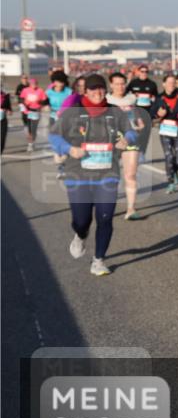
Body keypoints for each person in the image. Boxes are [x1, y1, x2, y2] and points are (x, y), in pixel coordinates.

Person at [49, 74, 136, 276]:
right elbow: (54, 135)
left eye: (101, 89)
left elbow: (130, 132)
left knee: (105, 217)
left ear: (105, 91)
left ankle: (98, 260)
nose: (98, 93)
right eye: (93, 89)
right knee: (81, 220)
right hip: (77, 173)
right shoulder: (72, 113)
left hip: (107, 172)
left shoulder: (115, 112)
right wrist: (69, 149)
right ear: (85, 91)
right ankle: (80, 235)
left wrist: (126, 140)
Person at [106, 72, 145, 220]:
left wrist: (139, 125)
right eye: (117, 83)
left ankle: (131, 209)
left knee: (130, 174)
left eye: (123, 83)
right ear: (111, 85)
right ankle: (108, 206)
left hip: (130, 140)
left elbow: (138, 119)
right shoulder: (106, 100)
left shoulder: (131, 100)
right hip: (111, 141)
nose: (120, 86)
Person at [153, 74, 178, 193]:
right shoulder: (159, 98)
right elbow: (151, 113)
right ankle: (170, 182)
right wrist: (159, 115)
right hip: (165, 131)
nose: (171, 85)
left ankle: (173, 172)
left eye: (173, 83)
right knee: (169, 156)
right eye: (169, 83)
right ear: (163, 84)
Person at [126, 64, 158, 162]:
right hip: (134, 113)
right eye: (142, 71)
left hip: (147, 113)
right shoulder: (133, 83)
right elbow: (125, 94)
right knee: (135, 134)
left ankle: (142, 153)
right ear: (138, 72)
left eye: (146, 72)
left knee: (145, 135)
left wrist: (153, 99)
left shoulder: (152, 84)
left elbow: (156, 99)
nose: (144, 73)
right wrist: (132, 95)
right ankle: (133, 151)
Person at [45, 72, 72, 178]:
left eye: (62, 82)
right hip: (53, 119)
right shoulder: (48, 93)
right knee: (56, 142)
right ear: (54, 82)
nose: (60, 84)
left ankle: (63, 162)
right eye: (57, 82)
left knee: (66, 142)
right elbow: (43, 104)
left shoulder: (69, 92)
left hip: (67, 120)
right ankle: (60, 167)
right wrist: (46, 107)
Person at [18, 77, 47, 153]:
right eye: (32, 84)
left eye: (35, 84)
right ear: (30, 84)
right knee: (29, 129)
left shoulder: (40, 91)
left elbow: (45, 101)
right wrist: (25, 104)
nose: (34, 85)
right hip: (27, 111)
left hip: (36, 111)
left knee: (34, 129)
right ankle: (30, 143)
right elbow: (20, 99)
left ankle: (32, 142)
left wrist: (39, 102)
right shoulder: (25, 90)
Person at [1, 87, 11, 154]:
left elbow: (9, 109)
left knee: (2, 138)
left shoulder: (5, 96)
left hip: (3, 120)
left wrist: (8, 110)